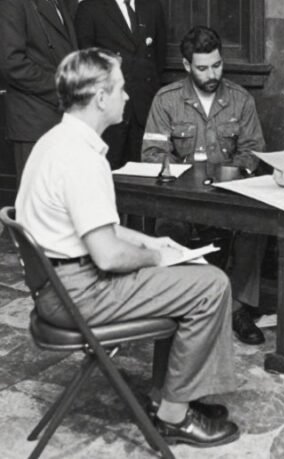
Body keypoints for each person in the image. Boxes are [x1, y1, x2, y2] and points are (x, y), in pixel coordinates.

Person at [16, 48, 239, 447]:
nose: (128, 96)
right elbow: (108, 255)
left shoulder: (56, 141)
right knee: (212, 284)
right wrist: (158, 257)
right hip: (78, 292)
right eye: (120, 88)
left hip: (59, 285)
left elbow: (102, 228)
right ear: (100, 96)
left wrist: (154, 242)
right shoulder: (81, 159)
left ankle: (170, 395)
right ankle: (173, 415)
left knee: (186, 275)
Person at [141, 26, 269, 345]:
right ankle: (184, 308)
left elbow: (254, 150)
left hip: (229, 196)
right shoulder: (167, 100)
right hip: (181, 198)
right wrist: (187, 178)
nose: (212, 74)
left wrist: (228, 175)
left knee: (255, 228)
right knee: (170, 228)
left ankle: (238, 307)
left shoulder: (240, 99)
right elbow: (152, 154)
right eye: (202, 68)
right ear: (187, 66)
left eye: (217, 65)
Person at [75, 0, 167, 169]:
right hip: (110, 113)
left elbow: (159, 58)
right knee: (110, 177)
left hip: (146, 111)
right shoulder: (90, 9)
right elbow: (86, 66)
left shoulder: (152, 6)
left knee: (147, 177)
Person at [0, 0, 77, 181]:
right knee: (36, 209)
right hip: (33, 123)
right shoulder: (11, 2)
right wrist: (63, 89)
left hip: (62, 117)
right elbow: (13, 65)